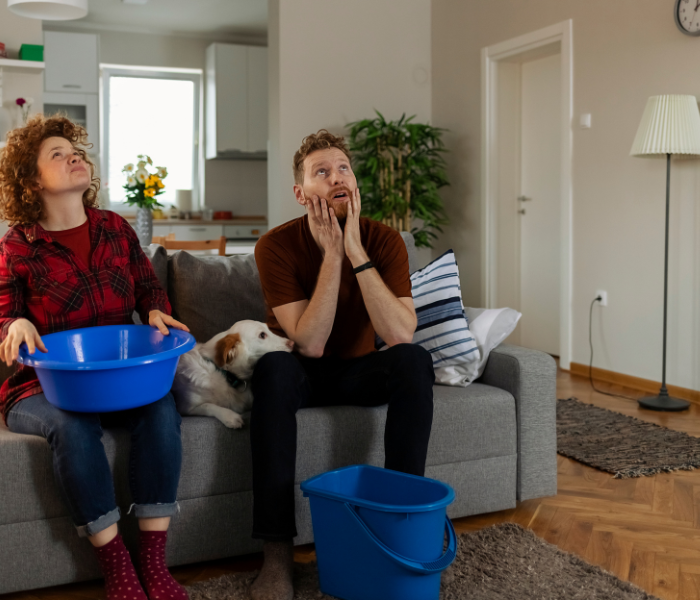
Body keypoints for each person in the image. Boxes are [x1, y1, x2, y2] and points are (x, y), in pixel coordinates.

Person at [0, 115, 190, 600]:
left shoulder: (115, 228)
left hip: (117, 379)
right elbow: (4, 319)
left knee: (161, 409)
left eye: (75, 150)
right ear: (31, 180)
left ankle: (153, 561)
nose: (74, 156)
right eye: (57, 155)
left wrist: (155, 311)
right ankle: (118, 566)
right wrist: (14, 324)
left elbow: (149, 288)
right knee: (71, 426)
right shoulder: (16, 246)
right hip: (39, 387)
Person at [251, 130, 435, 600]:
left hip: (359, 370)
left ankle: (401, 524)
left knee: (413, 360)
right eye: (322, 171)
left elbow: (399, 333)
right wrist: (331, 254)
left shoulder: (384, 239)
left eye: (343, 169)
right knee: (274, 369)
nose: (337, 178)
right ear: (300, 193)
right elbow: (309, 343)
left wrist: (354, 249)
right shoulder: (274, 246)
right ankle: (276, 554)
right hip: (302, 374)